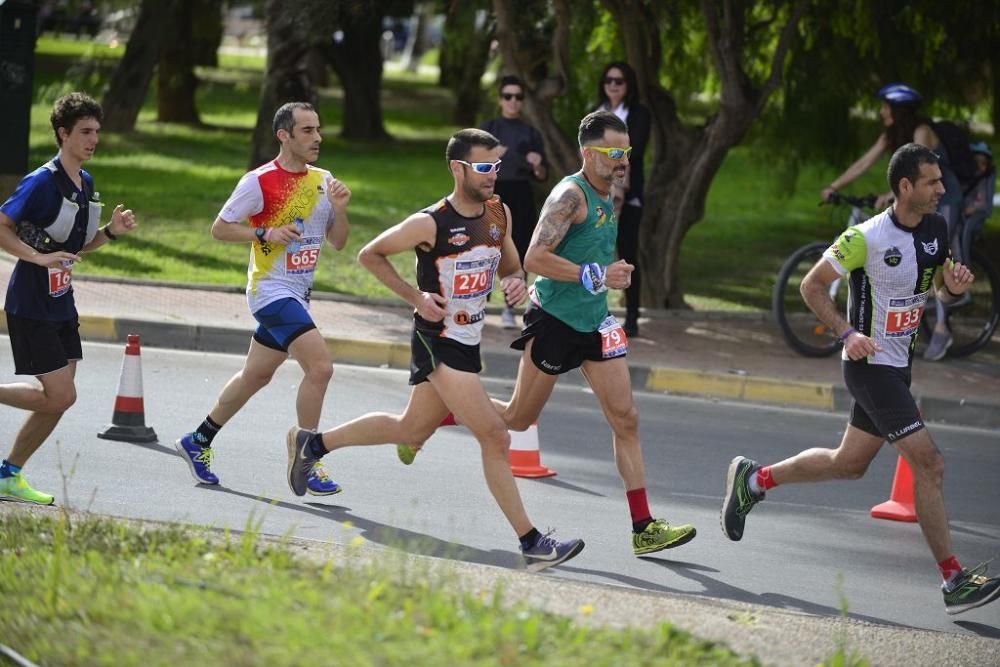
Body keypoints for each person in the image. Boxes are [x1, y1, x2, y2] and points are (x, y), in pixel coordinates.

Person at [284, 128, 585, 572]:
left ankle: (313, 445)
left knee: (410, 430)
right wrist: (416, 297)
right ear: (457, 168)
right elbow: (370, 254)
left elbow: (509, 262)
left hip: (469, 340)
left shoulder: (498, 213)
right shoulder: (431, 222)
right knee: (497, 436)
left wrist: (513, 281)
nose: (492, 175)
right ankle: (532, 542)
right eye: (484, 168)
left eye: (497, 166)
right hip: (437, 339)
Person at [398, 112, 697, 557]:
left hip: (595, 322)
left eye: (627, 153)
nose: (622, 161)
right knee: (517, 419)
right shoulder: (568, 196)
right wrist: (597, 274)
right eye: (614, 153)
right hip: (555, 319)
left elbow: (592, 251)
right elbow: (535, 258)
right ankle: (443, 415)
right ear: (587, 153)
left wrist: (612, 274)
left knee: (626, 418)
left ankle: (643, 527)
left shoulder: (611, 193)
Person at [723, 143, 1000, 616]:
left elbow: (937, 290)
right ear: (905, 186)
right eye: (932, 182)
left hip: (899, 366)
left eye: (940, 181)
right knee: (929, 463)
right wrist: (846, 332)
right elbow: (810, 286)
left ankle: (755, 479)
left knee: (848, 463)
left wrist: (952, 291)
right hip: (869, 368)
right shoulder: (864, 237)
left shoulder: (935, 228)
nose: (941, 189)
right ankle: (954, 580)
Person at [175, 102, 351, 495]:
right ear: (284, 136)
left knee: (256, 375)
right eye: (307, 130)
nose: (317, 137)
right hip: (270, 292)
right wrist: (264, 234)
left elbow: (338, 243)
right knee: (320, 368)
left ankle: (197, 440)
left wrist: (340, 210)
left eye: (318, 129)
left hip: (299, 296)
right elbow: (219, 229)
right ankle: (309, 454)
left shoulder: (324, 180)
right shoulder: (258, 181)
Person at [0, 92, 137, 504]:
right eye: (85, 132)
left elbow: (77, 246)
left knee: (56, 402)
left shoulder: (86, 182)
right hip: (31, 302)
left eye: (96, 131)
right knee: (61, 396)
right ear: (63, 134)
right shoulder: (41, 181)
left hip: (62, 303)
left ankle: (9, 474)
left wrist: (110, 232)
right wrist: (38, 258)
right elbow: (3, 226)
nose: (93, 140)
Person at [819, 83, 962, 361]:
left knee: (936, 259)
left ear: (899, 110)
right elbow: (864, 163)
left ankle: (944, 328)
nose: (882, 112)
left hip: (944, 198)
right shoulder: (892, 135)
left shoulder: (921, 132)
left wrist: (891, 194)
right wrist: (834, 186)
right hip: (915, 198)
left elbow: (920, 177)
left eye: (886, 107)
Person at [480, 75, 547, 329]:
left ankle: (510, 307)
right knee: (484, 246)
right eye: (508, 96)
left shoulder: (531, 133)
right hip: (491, 193)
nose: (513, 101)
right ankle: (478, 303)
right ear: (500, 99)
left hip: (521, 194)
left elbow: (542, 174)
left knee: (517, 250)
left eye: (518, 97)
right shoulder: (488, 129)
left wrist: (537, 164)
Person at [594, 62, 650, 337]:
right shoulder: (597, 112)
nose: (613, 85)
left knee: (627, 252)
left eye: (619, 80)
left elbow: (635, 149)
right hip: (597, 193)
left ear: (629, 84)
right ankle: (595, 311)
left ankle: (632, 316)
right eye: (609, 80)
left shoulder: (638, 114)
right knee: (596, 253)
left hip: (628, 194)